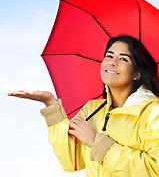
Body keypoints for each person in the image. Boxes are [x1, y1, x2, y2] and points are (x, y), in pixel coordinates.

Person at [8, 35, 159, 177]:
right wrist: (51, 105)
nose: (112, 62)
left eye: (123, 59)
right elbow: (71, 161)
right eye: (109, 55)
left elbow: (154, 170)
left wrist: (96, 143)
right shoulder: (92, 109)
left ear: (137, 74)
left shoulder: (152, 112)